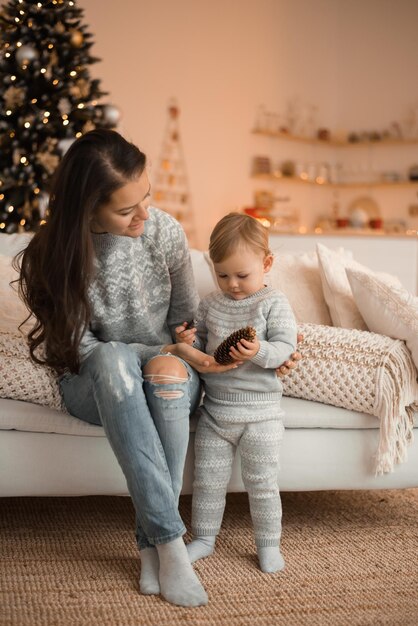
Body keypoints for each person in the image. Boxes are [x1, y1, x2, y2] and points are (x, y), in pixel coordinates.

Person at [15, 129, 301, 607]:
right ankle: (167, 543)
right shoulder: (51, 256)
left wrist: (250, 350)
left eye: (146, 198)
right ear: (87, 210)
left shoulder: (164, 232)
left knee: (166, 374)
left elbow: (185, 325)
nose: (145, 216)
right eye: (127, 210)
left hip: (171, 368)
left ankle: (154, 549)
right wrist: (155, 351)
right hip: (98, 382)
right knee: (112, 358)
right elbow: (84, 349)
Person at [177, 213, 297, 574]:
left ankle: (268, 545)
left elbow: (285, 348)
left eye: (242, 275)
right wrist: (188, 341)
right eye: (222, 274)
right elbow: (202, 345)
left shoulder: (273, 303)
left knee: (261, 484)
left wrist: (259, 351)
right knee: (207, 482)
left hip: (261, 416)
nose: (232, 284)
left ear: (266, 264)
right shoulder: (211, 304)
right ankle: (203, 538)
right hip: (216, 414)